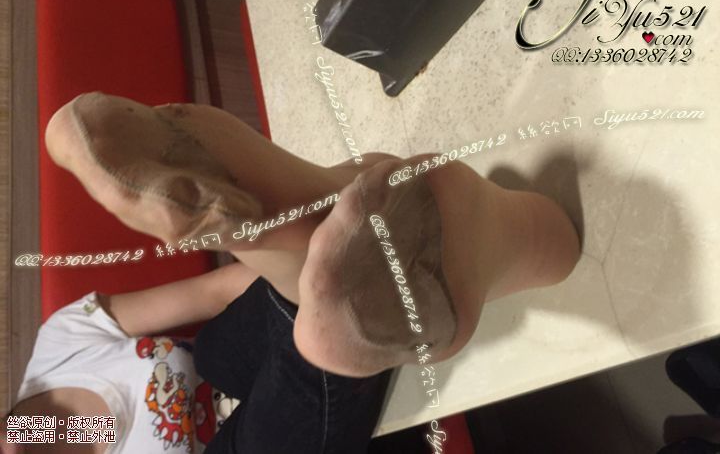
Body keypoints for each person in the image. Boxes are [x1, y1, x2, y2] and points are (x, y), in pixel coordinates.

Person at [3, 91, 581, 452]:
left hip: (248, 366)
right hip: (272, 434)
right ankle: (339, 283)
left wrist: (296, 280)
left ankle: (310, 242)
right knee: (291, 381)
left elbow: (212, 291)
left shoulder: (60, 351)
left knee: (217, 351)